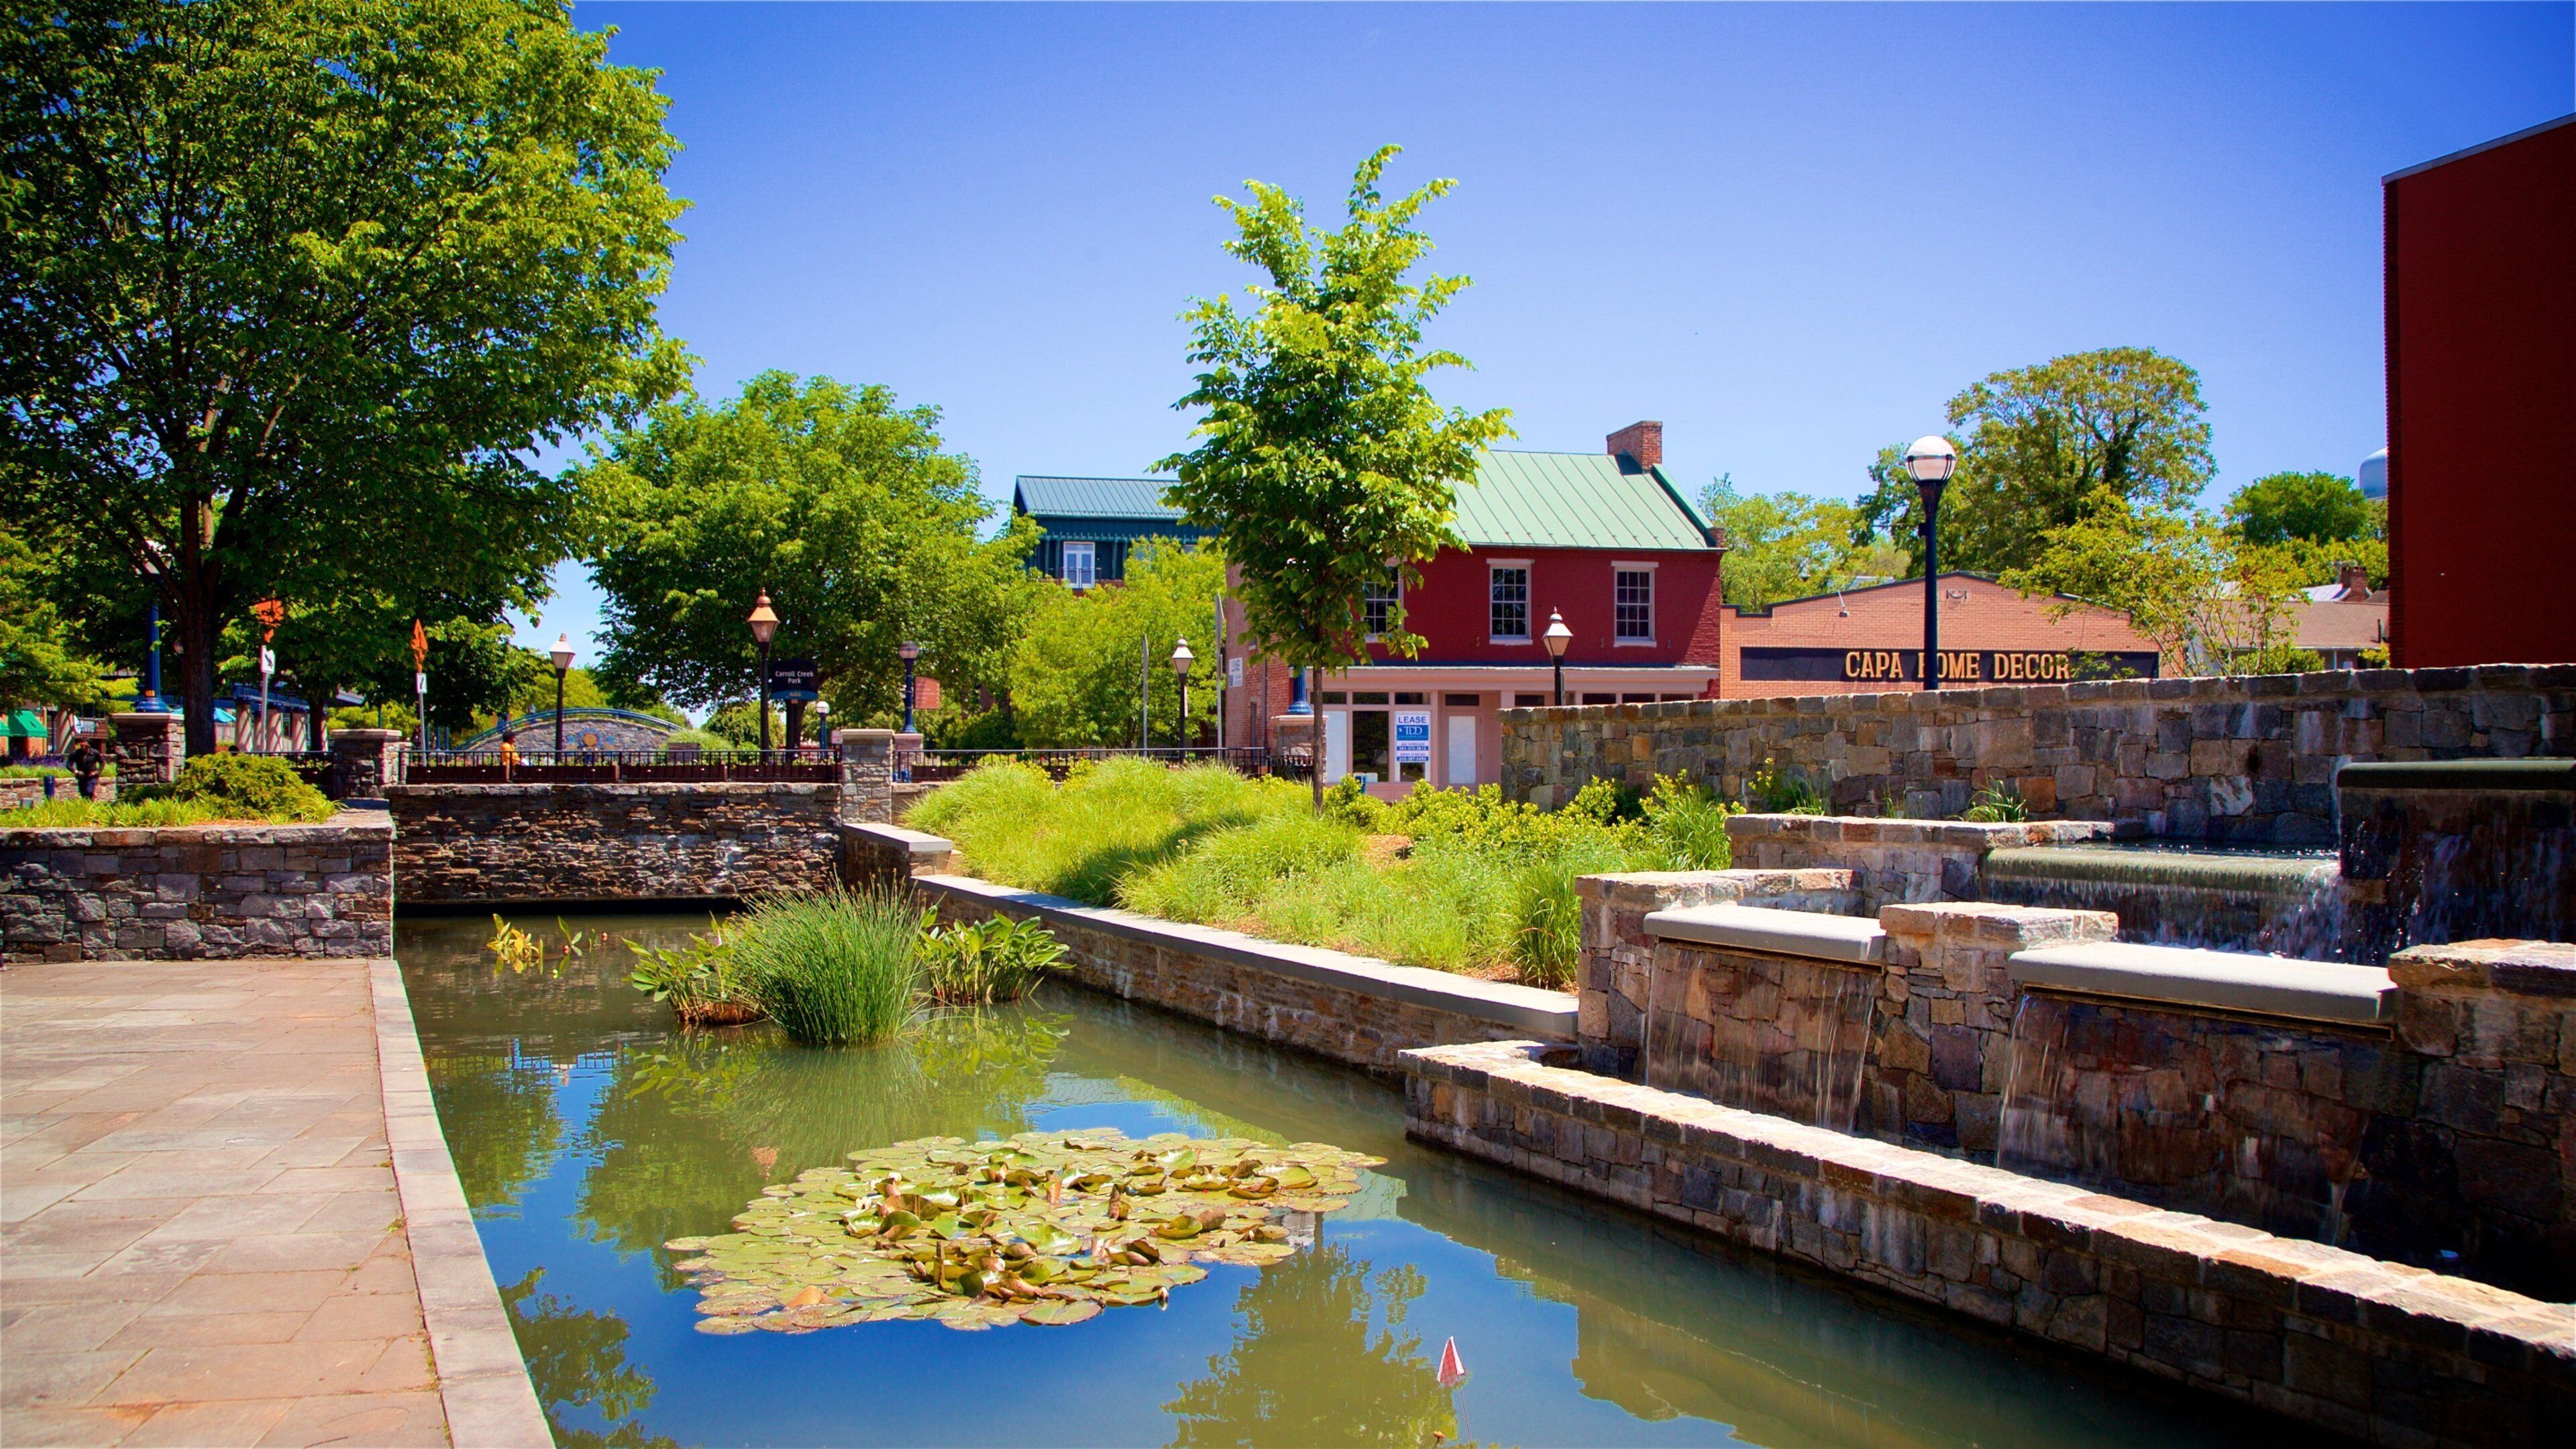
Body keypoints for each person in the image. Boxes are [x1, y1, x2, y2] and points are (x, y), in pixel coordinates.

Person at [66, 737, 103, 801]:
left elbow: (102, 763)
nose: (83, 746)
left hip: (92, 776)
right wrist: (76, 772)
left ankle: (92, 800)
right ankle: (88, 805)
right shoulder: (76, 753)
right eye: (81, 745)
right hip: (81, 776)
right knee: (83, 793)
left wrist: (97, 772)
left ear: (89, 745)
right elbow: (68, 765)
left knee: (89, 791)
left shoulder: (95, 753)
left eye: (85, 744)